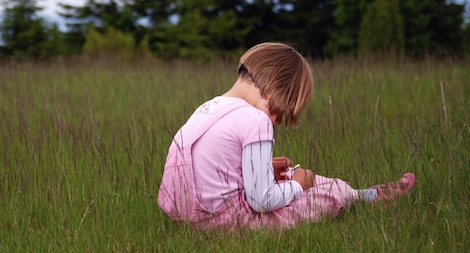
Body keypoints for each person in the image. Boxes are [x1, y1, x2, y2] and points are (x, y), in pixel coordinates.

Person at [157, 42, 416, 230]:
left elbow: (208, 168)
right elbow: (260, 201)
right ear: (274, 86)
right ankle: (362, 198)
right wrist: (298, 186)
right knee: (320, 194)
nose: (275, 121)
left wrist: (263, 167)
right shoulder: (255, 119)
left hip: (188, 218)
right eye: (279, 112)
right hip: (228, 221)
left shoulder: (208, 107)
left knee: (291, 176)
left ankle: (362, 195)